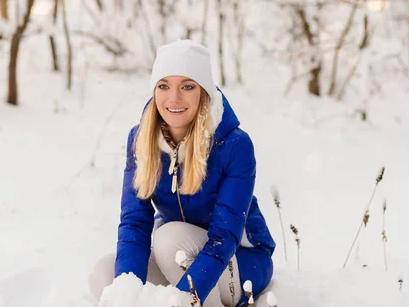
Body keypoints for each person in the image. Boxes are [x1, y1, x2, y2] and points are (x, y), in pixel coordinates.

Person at [89, 40, 275, 306]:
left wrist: (183, 298)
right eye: (164, 86)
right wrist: (126, 296)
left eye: (187, 86)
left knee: (169, 239)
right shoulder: (141, 140)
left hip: (240, 260)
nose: (173, 98)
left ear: (204, 92)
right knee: (106, 276)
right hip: (177, 258)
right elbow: (134, 223)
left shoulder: (234, 145)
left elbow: (224, 237)